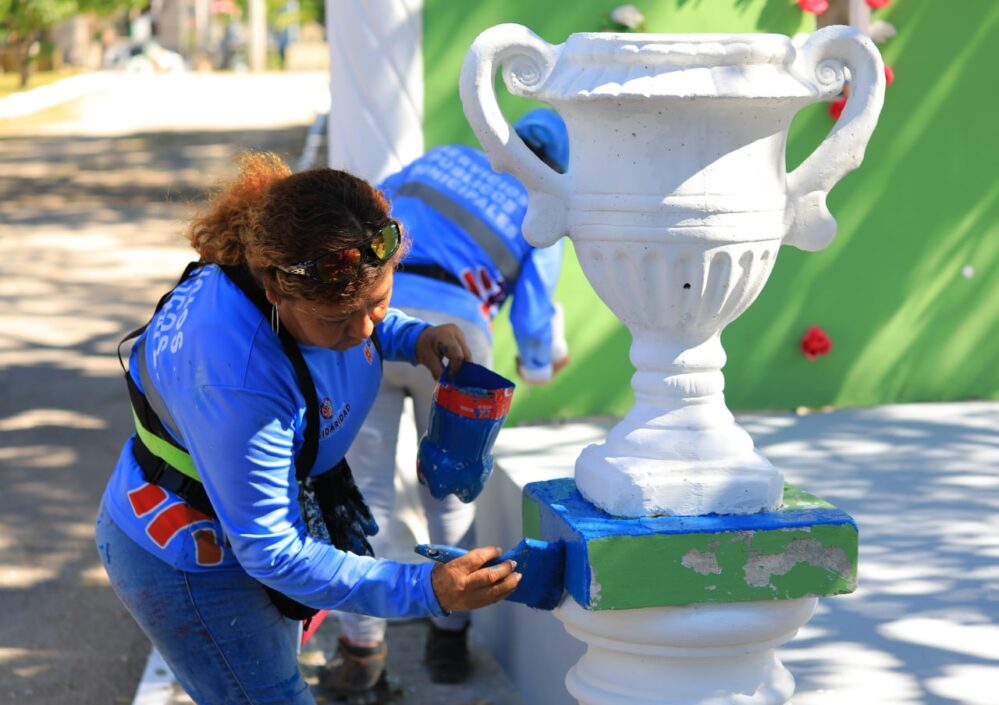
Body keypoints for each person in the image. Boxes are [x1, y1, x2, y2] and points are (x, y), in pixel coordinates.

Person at [95, 152, 522, 705]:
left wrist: (410, 336)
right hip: (188, 559)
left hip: (230, 525)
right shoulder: (241, 378)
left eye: (381, 302)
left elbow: (359, 317)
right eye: (340, 319)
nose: (364, 328)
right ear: (276, 290)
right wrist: (426, 589)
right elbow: (274, 553)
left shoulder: (294, 274)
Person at [324, 109, 570, 694]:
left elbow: (368, 220)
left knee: (364, 495)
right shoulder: (542, 203)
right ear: (558, 166)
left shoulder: (437, 161)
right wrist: (539, 363)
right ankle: (449, 641)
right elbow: (536, 329)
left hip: (374, 322)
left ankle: (362, 652)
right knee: (451, 490)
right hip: (460, 344)